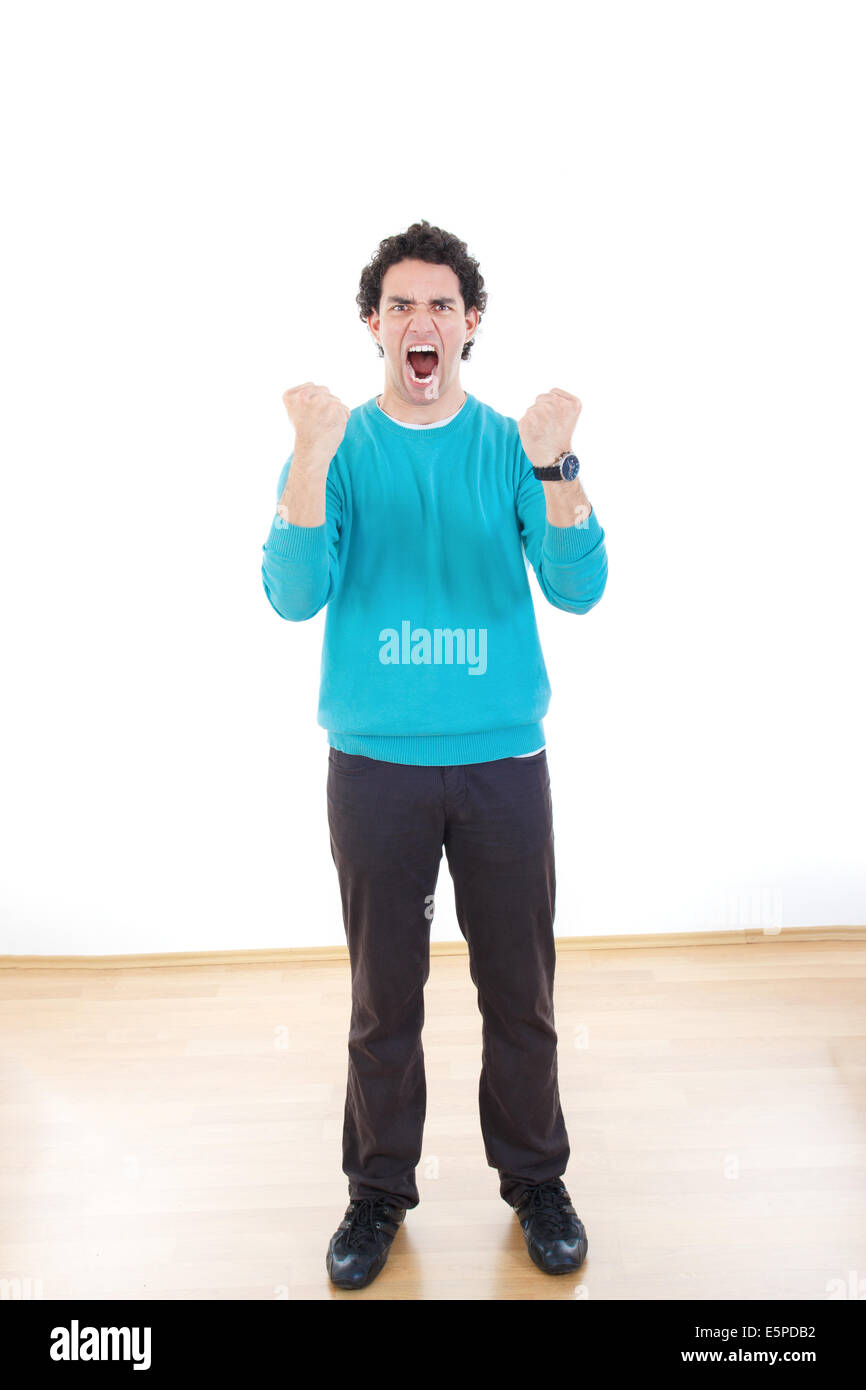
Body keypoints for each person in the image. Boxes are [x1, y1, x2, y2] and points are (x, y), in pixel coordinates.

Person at [261, 220, 608, 1291]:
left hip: (501, 761)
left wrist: (554, 464)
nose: (422, 320)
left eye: (441, 305)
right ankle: (377, 1190)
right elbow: (292, 593)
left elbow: (579, 584)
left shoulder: (514, 442)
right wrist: (310, 459)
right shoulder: (336, 448)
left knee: (519, 986)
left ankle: (534, 1179)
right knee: (386, 993)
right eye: (401, 304)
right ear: (375, 324)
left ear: (468, 326)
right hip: (375, 770)